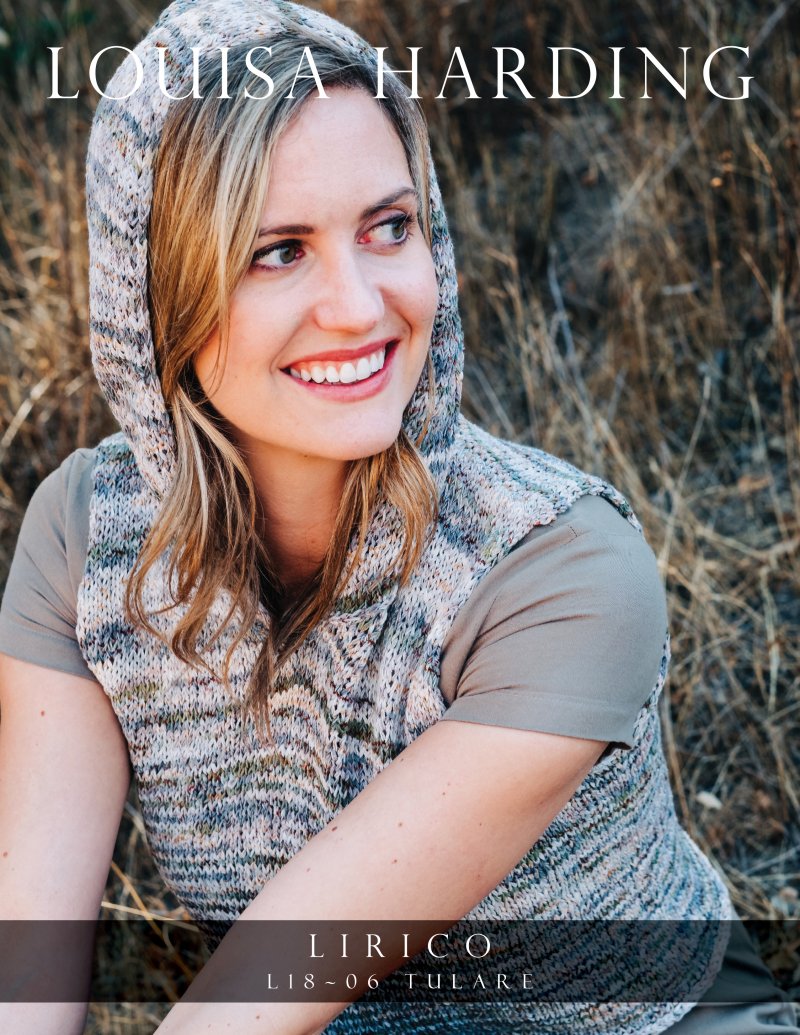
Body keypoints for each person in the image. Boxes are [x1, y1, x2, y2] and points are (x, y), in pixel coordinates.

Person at [0, 1, 796, 1033]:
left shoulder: (561, 571)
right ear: (155, 295)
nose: (360, 306)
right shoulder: (86, 541)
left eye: (389, 227)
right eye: (277, 251)